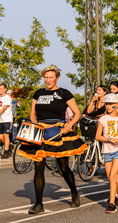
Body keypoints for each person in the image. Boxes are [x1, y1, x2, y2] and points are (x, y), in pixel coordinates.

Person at [19, 65, 87, 214]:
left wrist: (69, 126)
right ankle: (38, 204)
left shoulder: (64, 93)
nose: (48, 80)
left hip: (58, 132)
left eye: (51, 77)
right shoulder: (38, 94)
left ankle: (74, 192)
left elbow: (77, 113)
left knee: (63, 167)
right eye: (46, 77)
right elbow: (33, 114)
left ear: (56, 78)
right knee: (38, 168)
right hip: (41, 133)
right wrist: (34, 123)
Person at [95, 93, 118, 214]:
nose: (108, 106)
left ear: (116, 105)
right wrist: (109, 139)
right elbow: (97, 136)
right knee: (110, 178)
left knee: (113, 175)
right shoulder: (102, 119)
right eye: (106, 104)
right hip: (107, 150)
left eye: (110, 104)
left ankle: (111, 204)